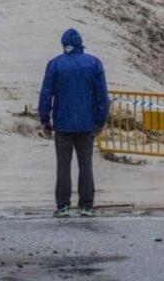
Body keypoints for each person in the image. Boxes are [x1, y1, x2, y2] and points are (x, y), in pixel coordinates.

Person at [38, 28, 109, 218]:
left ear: (64, 44)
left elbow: (46, 94)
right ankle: (86, 205)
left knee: (63, 165)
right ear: (80, 44)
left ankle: (62, 206)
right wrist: (100, 121)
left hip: (62, 124)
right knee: (85, 165)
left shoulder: (54, 64)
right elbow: (101, 96)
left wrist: (45, 120)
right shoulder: (94, 63)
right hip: (87, 125)